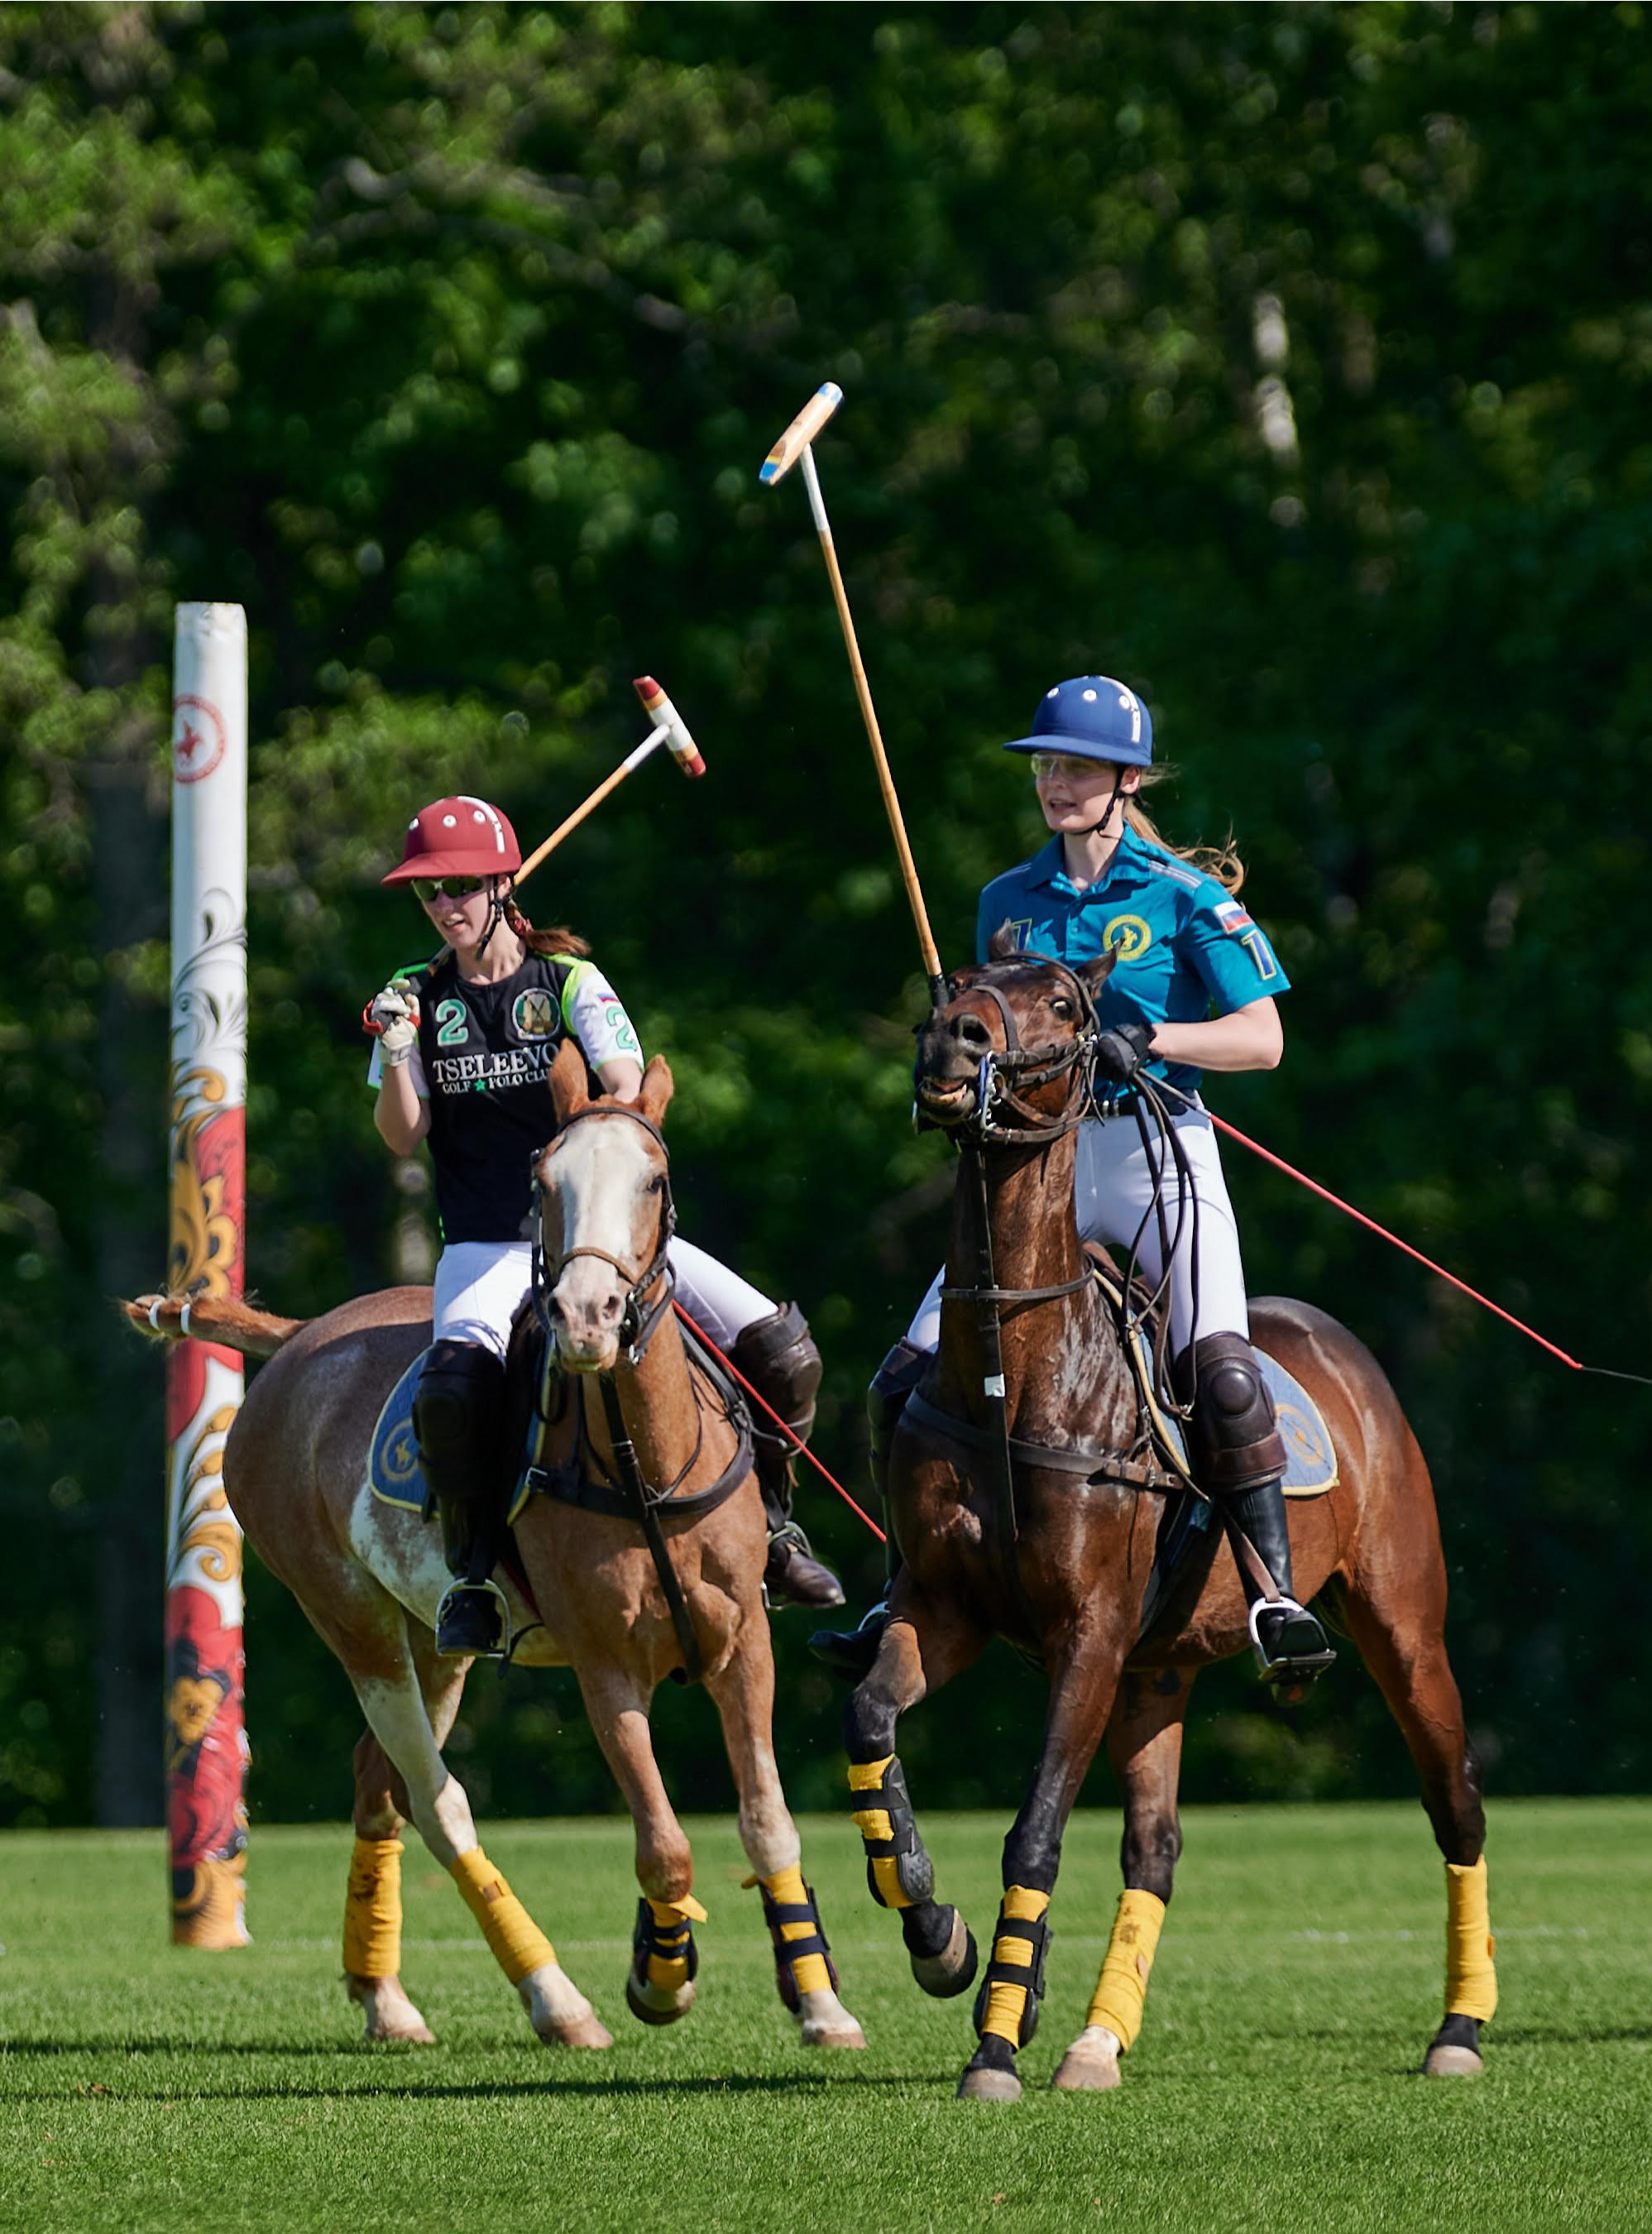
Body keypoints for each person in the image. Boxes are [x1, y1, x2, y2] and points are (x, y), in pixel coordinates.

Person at [812, 678, 1335, 1686]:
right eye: (1047, 765)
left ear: (1126, 781)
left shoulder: (1186, 900)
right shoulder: (1005, 902)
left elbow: (1262, 1040)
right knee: (902, 1373)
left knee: (1221, 1372)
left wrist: (1156, 1037)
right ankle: (901, 1585)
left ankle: (1271, 1594)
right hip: (1031, 1168)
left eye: (1078, 767)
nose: (1055, 783)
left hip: (1154, 1153)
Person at [366, 793, 843, 1656]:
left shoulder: (571, 983)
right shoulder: (413, 995)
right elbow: (403, 1133)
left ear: (503, 884)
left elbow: (625, 1079)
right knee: (450, 1394)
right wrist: (398, 1050)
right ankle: (472, 1576)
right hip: (486, 1244)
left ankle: (772, 1529)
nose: (445, 907)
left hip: (598, 1234)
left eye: (462, 887)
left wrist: (591, 1145)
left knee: (783, 1348)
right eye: (429, 895)